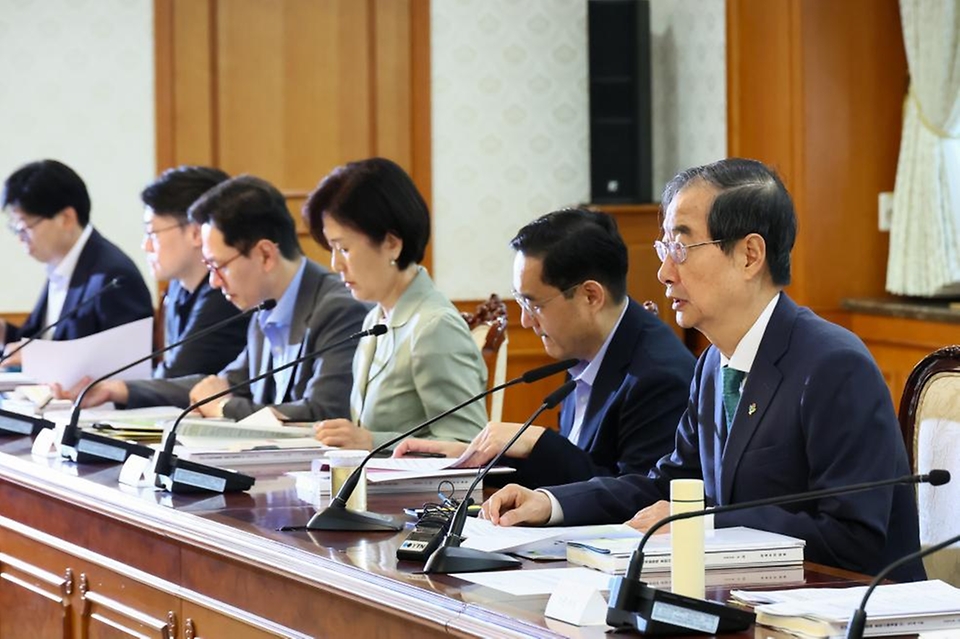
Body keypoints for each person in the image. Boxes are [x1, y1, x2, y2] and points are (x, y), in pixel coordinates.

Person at [482, 158, 925, 582]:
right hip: (747, 598)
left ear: (750, 255)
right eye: (664, 248)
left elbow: (853, 538)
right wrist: (551, 502)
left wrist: (706, 522)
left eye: (681, 247)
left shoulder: (833, 365)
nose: (663, 272)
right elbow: (669, 487)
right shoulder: (713, 363)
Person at [394, 208, 695, 488]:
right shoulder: (583, 348)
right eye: (522, 302)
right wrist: (473, 459)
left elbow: (635, 494)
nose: (525, 321)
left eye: (534, 304)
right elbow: (580, 471)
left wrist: (538, 441)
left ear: (590, 296)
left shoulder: (658, 376)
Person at [66, 175, 368, 421]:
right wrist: (119, 390)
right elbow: (223, 385)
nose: (213, 280)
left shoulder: (339, 309)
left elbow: (323, 414)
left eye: (219, 266)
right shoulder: (264, 306)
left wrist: (225, 408)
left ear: (265, 255)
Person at [303, 157, 487, 450]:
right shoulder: (376, 317)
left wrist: (370, 442)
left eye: (344, 248)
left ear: (392, 243)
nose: (335, 264)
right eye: (332, 249)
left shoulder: (434, 326)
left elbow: (469, 444)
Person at [1, 159, 153, 364]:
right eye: (16, 229)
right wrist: (3, 332)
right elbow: (45, 340)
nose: (20, 238)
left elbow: (127, 364)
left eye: (26, 227)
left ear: (67, 218)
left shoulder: (113, 276)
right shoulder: (60, 265)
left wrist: (41, 357)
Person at [140, 165, 247, 378]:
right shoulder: (178, 286)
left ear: (196, 233)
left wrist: (118, 389)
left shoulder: (227, 294)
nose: (146, 246)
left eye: (152, 233)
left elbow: (176, 376)